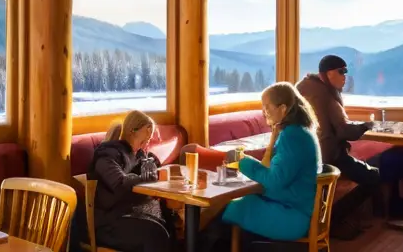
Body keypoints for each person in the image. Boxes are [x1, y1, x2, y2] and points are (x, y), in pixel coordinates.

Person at [199, 82, 322, 251]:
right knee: (228, 207)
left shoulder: (292, 136)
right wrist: (273, 137)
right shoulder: (299, 131)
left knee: (222, 210)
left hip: (292, 216)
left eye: (267, 107)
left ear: (283, 108)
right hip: (294, 207)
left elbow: (275, 181)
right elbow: (272, 169)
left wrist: (242, 161)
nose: (263, 112)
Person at [296, 54, 379, 234]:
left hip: (303, 156)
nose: (344, 76)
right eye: (341, 71)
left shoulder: (301, 88)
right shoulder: (325, 94)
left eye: (346, 72)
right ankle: (333, 221)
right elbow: (343, 131)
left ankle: (337, 221)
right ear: (328, 73)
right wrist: (367, 126)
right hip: (328, 155)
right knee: (373, 176)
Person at [86, 110, 174, 252]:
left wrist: (154, 167)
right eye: (147, 131)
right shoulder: (107, 155)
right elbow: (119, 183)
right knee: (155, 233)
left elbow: (153, 168)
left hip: (129, 214)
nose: (149, 138)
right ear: (132, 131)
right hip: (109, 222)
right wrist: (144, 178)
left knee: (170, 225)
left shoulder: (138, 155)